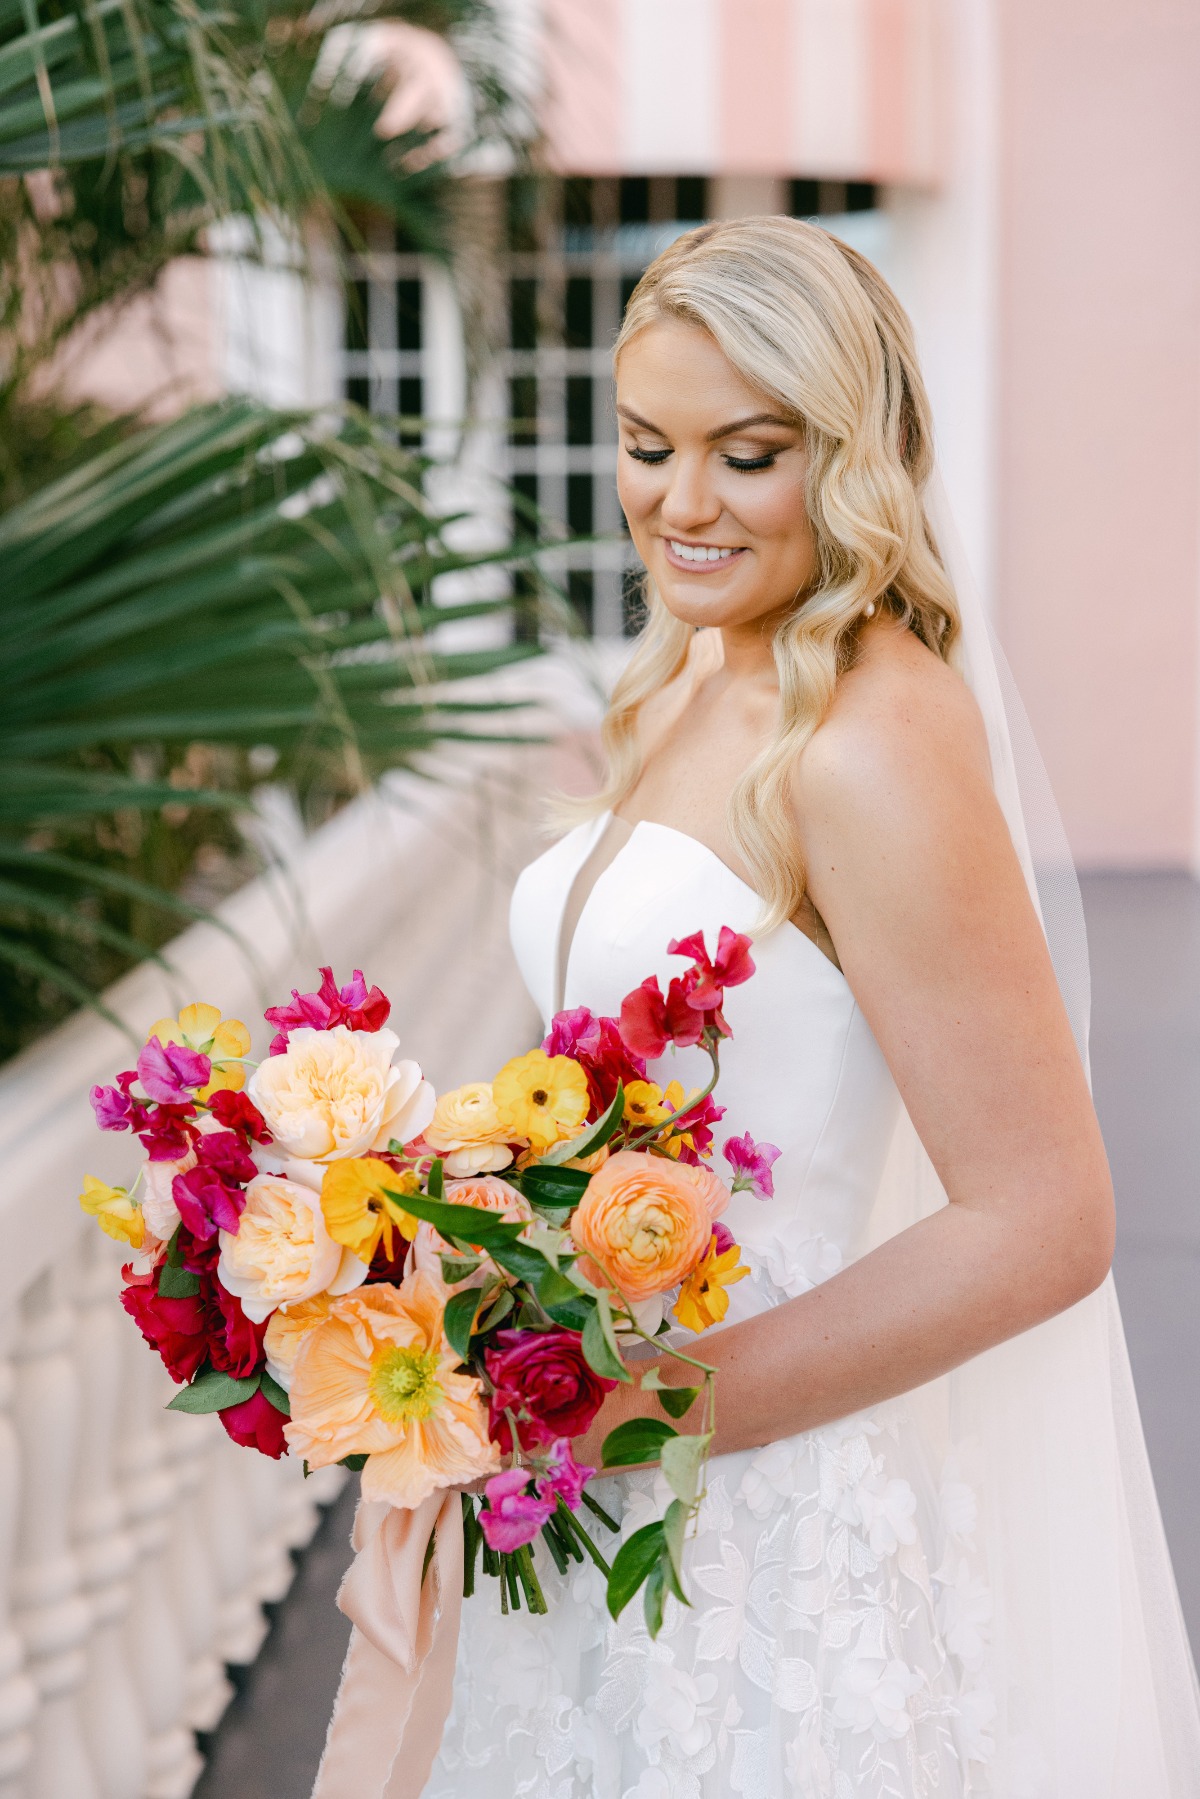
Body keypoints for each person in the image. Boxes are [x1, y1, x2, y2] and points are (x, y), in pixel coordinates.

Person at [423, 218, 1200, 1796]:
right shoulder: (704, 674)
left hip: (753, 1528)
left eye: (748, 454)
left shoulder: (870, 744)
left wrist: (642, 1401)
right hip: (590, 1482)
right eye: (646, 445)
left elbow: (1044, 1216)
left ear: (850, 454)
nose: (680, 504)